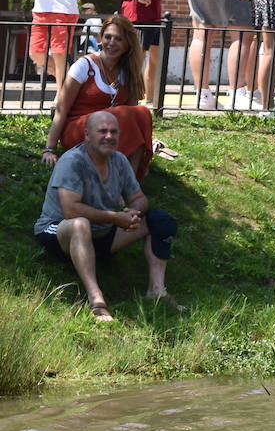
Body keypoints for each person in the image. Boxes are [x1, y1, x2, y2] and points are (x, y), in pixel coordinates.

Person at [33, 111, 181, 323]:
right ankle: (96, 300)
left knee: (160, 221)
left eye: (113, 132)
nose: (109, 136)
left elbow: (140, 198)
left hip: (102, 233)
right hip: (58, 232)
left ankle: (156, 290)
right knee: (79, 224)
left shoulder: (119, 160)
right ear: (87, 135)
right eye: (102, 131)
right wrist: (115, 218)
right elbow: (70, 211)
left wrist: (133, 212)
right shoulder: (72, 161)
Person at [42, 14, 157, 182]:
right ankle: (117, 179)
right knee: (123, 114)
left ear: (127, 45)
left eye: (118, 39)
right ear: (100, 39)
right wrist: (49, 148)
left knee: (141, 113)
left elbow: (135, 117)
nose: (111, 43)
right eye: (107, 37)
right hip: (79, 130)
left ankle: (130, 180)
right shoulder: (84, 66)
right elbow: (61, 109)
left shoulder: (127, 72)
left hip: (107, 132)